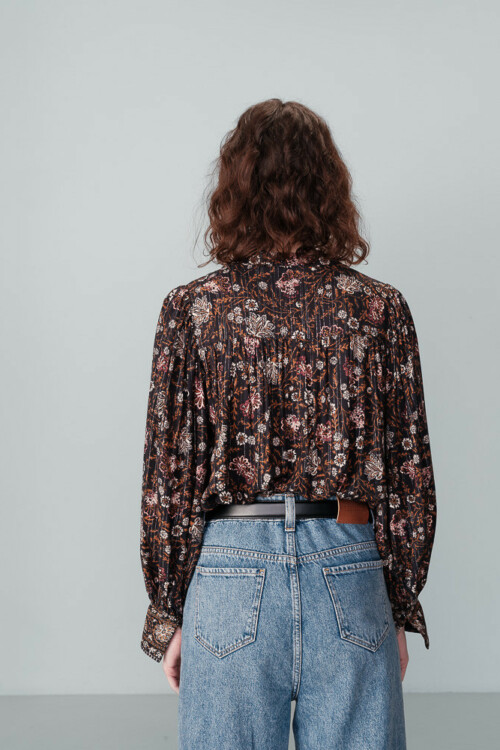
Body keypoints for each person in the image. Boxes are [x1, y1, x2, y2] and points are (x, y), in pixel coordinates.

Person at [139, 99, 437, 750]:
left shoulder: (192, 311)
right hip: (350, 565)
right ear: (330, 188)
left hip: (228, 568)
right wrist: (396, 604)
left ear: (233, 190)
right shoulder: (379, 309)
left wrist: (169, 610)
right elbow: (408, 473)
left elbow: (170, 477)